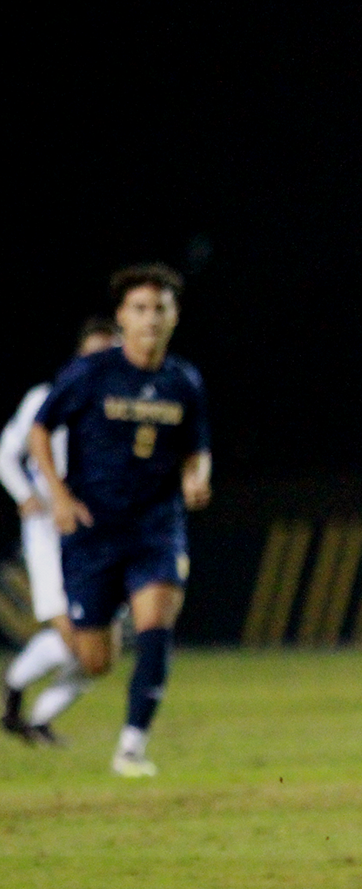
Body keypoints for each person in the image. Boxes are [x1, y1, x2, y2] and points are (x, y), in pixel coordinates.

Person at [30, 265, 211, 777]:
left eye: (160, 308)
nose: (150, 318)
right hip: (93, 531)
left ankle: (131, 747)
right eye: (139, 309)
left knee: (156, 626)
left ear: (174, 317)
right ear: (121, 317)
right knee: (96, 661)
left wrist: (197, 476)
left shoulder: (184, 381)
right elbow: (40, 431)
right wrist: (59, 496)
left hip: (156, 525)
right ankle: (28, 681)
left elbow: (198, 448)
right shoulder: (92, 373)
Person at [2, 316, 120, 745]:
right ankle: (14, 697)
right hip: (50, 532)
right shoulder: (45, 398)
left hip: (101, 534)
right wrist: (23, 493)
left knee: (103, 652)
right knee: (75, 636)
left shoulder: (122, 408)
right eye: (93, 356)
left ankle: (35, 718)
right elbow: (6, 451)